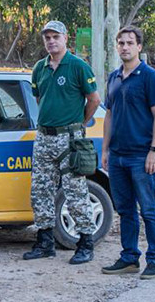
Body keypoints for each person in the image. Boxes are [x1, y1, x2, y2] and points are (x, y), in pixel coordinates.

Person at [23, 20, 101, 264]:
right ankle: (45, 242)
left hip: (70, 139)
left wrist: (79, 124)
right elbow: (39, 100)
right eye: (47, 37)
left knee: (75, 191)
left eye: (55, 36)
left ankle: (85, 243)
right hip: (44, 138)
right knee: (41, 191)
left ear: (66, 38)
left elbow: (94, 100)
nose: (51, 41)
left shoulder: (78, 66)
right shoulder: (39, 68)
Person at [101, 26, 155, 280]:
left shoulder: (149, 76)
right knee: (125, 210)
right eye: (121, 43)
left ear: (139, 47)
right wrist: (105, 150)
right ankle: (129, 257)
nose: (125, 47)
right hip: (117, 156)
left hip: (142, 155)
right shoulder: (114, 77)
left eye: (130, 42)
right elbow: (109, 114)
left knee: (149, 209)